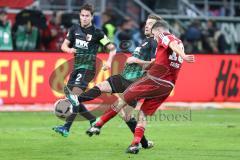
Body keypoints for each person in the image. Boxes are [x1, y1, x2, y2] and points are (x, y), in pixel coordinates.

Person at [83, 20, 195, 154]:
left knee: (122, 100)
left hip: (155, 79)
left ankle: (98, 124)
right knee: (142, 114)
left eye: (154, 34)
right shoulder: (180, 42)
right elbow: (167, 53)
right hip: (168, 86)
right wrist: (148, 65)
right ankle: (135, 144)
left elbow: (171, 43)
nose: (154, 37)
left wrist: (184, 56)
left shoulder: (164, 36)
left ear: (158, 30)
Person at [65, 14, 161, 148]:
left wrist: (135, 60)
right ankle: (76, 99)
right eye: (147, 23)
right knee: (102, 87)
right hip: (124, 77)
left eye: (150, 24)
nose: (146, 25)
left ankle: (142, 143)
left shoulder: (154, 43)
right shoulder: (146, 40)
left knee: (126, 114)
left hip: (134, 83)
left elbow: (153, 63)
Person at [52, 3, 116, 137]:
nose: (85, 18)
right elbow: (64, 46)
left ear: (92, 17)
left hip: (88, 69)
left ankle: (66, 128)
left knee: (74, 97)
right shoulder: (74, 29)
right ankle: (93, 119)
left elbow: (112, 48)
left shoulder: (97, 33)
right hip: (76, 68)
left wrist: (109, 62)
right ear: (79, 16)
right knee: (71, 98)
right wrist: (69, 49)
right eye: (82, 15)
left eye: (87, 16)